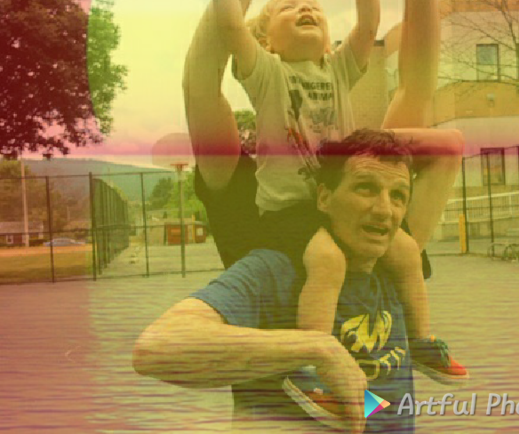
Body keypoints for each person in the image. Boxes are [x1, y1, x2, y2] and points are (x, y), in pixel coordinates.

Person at [184, 0, 471, 383]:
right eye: (290, 8)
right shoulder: (254, 213)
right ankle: (315, 366)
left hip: (379, 410)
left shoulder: (376, 212)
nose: (384, 204)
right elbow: (201, 84)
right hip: (292, 406)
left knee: (426, 162)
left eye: (313, 7)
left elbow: (415, 88)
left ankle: (418, 346)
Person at [133, 127, 463, 434]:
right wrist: (318, 350)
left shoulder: (394, 266)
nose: (384, 210)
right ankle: (313, 377)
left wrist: (356, 134)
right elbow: (157, 347)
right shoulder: (277, 271)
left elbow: (448, 146)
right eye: (366, 188)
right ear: (324, 198)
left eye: (399, 196)